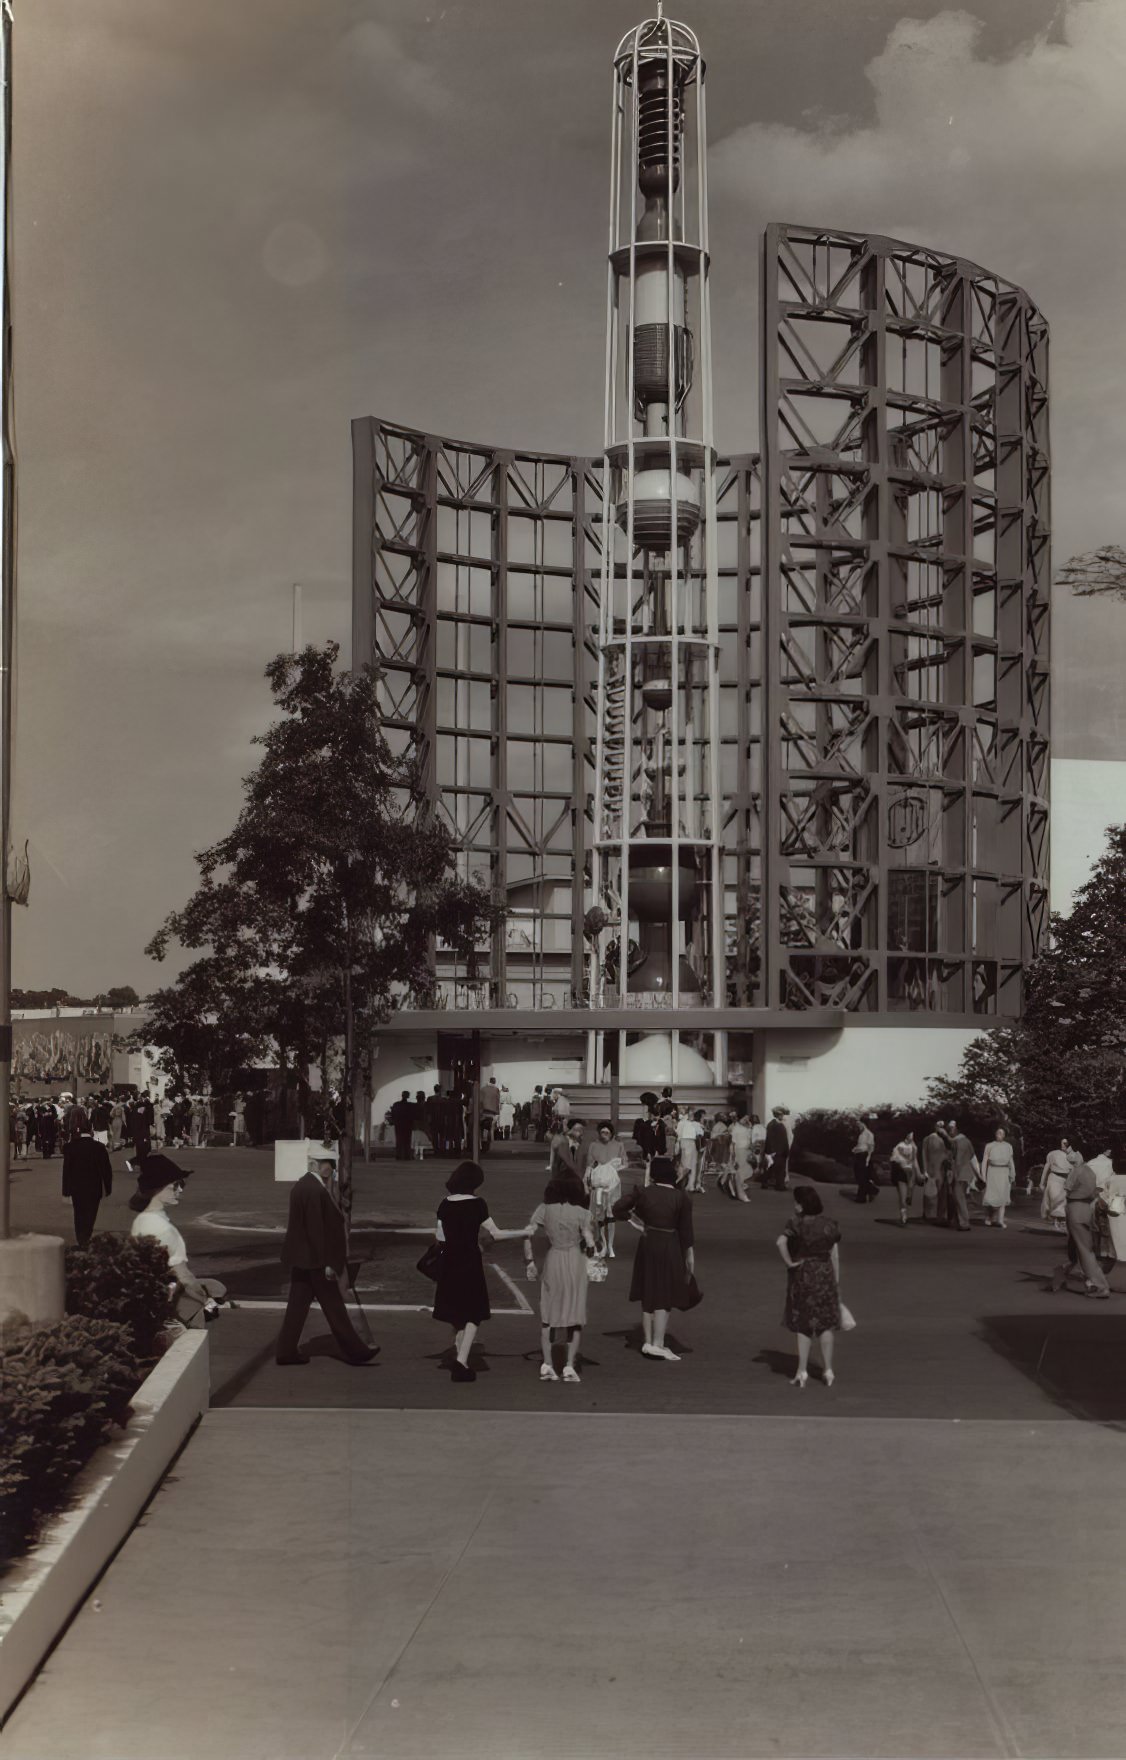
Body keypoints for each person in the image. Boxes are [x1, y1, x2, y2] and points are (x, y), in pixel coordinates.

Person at [275, 1147, 378, 1366]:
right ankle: (356, 1351)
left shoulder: (303, 1186)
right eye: (324, 1163)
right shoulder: (315, 1190)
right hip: (316, 1260)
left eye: (330, 1163)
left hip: (303, 1258)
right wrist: (329, 1263)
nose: (329, 1168)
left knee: (297, 1306)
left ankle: (286, 1351)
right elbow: (316, 1230)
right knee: (334, 1308)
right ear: (312, 1163)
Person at [433, 1160, 531, 1381]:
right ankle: (461, 1362)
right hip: (469, 1261)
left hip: (449, 1261)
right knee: (473, 1314)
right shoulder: (478, 1204)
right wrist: (522, 1232)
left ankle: (461, 1356)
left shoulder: (444, 1204)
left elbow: (439, 1237)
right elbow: (495, 1234)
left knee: (457, 1313)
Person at [611, 1155, 696, 1361]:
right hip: (669, 1243)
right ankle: (658, 1343)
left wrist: (636, 1222)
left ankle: (648, 1342)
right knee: (664, 1294)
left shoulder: (644, 1192)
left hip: (648, 1242)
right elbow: (686, 1233)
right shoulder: (680, 1197)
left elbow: (618, 1208)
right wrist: (690, 1260)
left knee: (649, 1290)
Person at [129, 1155, 227, 1328]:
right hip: (170, 1310)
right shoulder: (161, 1227)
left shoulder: (144, 1220)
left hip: (155, 1301)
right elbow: (181, 1274)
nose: (180, 1190)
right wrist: (206, 1301)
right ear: (156, 1189)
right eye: (175, 1185)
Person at [523, 1173, 597, 1382]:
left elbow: (528, 1234)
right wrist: (591, 1248)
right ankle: (569, 1365)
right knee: (575, 1313)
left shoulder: (544, 1209)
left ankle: (547, 1363)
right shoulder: (583, 1213)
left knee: (549, 1313)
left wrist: (529, 1261)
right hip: (575, 1261)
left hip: (553, 1259)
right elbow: (590, 1241)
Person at [777, 1184, 842, 1388]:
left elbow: (780, 1242)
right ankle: (828, 1370)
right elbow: (834, 1253)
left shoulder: (796, 1223)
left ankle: (802, 1371)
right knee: (825, 1324)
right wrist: (836, 1280)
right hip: (825, 1274)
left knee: (803, 1323)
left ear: (802, 1205)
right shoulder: (830, 1225)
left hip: (803, 1274)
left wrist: (789, 1263)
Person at [1049, 1154, 1111, 1300]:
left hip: (1075, 1209)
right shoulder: (1089, 1171)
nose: (1068, 1156)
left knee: (1083, 1250)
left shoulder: (1076, 1171)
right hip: (1086, 1210)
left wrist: (1051, 1207)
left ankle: (1100, 1286)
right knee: (1075, 1248)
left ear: (1078, 1153)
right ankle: (1061, 1275)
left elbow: (1064, 1193)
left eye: (1070, 1151)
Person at [61, 1107, 114, 1247]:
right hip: (94, 1187)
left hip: (77, 1187)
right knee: (91, 1214)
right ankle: (86, 1236)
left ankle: (81, 1239)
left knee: (79, 1214)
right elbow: (106, 1170)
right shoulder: (99, 1148)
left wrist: (65, 1192)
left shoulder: (70, 1148)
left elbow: (66, 1172)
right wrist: (107, 1188)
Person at [584, 1122, 625, 1258]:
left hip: (612, 1185)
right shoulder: (593, 1145)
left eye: (607, 1133)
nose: (604, 1135)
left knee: (611, 1215)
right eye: (602, 1132)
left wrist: (613, 1169)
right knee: (599, 1215)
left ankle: (611, 1246)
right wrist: (586, 1181)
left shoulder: (619, 1145)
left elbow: (625, 1163)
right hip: (598, 1183)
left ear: (611, 1133)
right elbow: (589, 1165)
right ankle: (604, 1243)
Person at [981, 1127, 1017, 1229]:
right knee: (991, 1197)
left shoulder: (1008, 1146)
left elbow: (1011, 1161)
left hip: (1004, 1173)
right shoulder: (989, 1146)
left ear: (1004, 1135)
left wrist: (1013, 1174)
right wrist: (983, 1175)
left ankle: (1000, 1220)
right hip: (992, 1172)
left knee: (1002, 1197)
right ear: (995, 1134)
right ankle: (989, 1217)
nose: (999, 1134)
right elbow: (984, 1161)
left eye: (1002, 1133)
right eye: (998, 1133)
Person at [948, 1124, 979, 1232]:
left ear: (956, 1131)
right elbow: (972, 1156)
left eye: (951, 1130)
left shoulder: (956, 1142)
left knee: (959, 1198)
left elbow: (958, 1159)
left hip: (959, 1173)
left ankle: (964, 1223)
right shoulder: (967, 1141)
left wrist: (954, 1173)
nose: (950, 1133)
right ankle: (958, 1221)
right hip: (967, 1173)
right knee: (960, 1197)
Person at [921, 1121, 952, 1225]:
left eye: (942, 1126)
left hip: (943, 1169)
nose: (940, 1128)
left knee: (942, 1193)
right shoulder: (929, 1138)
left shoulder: (947, 1139)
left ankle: (940, 1216)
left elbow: (950, 1153)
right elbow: (924, 1155)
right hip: (932, 1169)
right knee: (929, 1193)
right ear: (934, 1126)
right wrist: (924, 1170)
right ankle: (928, 1214)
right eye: (938, 1125)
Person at [1040, 1139, 1074, 1232]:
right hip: (1054, 1178)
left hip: (1066, 1180)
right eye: (1062, 1142)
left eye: (1065, 1143)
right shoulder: (1053, 1154)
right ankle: (1056, 1220)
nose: (1063, 1145)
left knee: (1063, 1201)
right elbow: (1046, 1168)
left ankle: (1061, 1221)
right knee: (1054, 1199)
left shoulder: (1074, 1155)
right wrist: (1042, 1182)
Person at [889, 1130, 921, 1226]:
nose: (911, 1137)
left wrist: (918, 1173)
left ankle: (908, 1197)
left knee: (909, 1190)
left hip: (910, 1171)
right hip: (902, 1172)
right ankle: (903, 1213)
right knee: (902, 1195)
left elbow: (914, 1161)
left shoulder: (914, 1147)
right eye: (910, 1135)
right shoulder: (899, 1146)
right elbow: (894, 1159)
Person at [675, 1109, 706, 1193]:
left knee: (692, 1165)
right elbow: (700, 1133)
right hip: (687, 1142)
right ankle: (677, 1182)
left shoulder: (692, 1123)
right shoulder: (684, 1123)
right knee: (687, 1165)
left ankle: (690, 1185)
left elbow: (700, 1133)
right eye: (690, 1114)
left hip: (691, 1143)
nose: (691, 1116)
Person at [762, 1106, 791, 1191]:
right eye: (780, 1114)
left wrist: (786, 1150)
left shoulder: (781, 1124)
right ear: (776, 1115)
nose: (782, 1116)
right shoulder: (772, 1124)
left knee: (780, 1169)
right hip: (775, 1152)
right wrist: (772, 1151)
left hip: (782, 1151)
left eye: (782, 1114)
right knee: (771, 1168)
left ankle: (780, 1185)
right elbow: (770, 1139)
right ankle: (765, 1182)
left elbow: (784, 1139)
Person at [852, 1116, 877, 1204]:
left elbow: (870, 1148)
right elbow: (861, 1145)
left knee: (862, 1177)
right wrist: (855, 1149)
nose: (858, 1125)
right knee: (858, 1176)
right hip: (858, 1155)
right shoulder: (861, 1134)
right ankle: (872, 1190)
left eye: (859, 1123)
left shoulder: (869, 1134)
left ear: (864, 1123)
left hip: (864, 1156)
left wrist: (868, 1159)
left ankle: (861, 1197)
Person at [728, 1114, 753, 1202]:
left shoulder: (747, 1127)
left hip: (746, 1151)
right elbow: (733, 1143)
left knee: (747, 1170)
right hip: (739, 1150)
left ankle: (736, 1186)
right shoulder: (736, 1128)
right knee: (740, 1172)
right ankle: (741, 1194)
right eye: (744, 1118)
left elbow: (749, 1139)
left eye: (747, 1118)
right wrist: (733, 1154)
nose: (746, 1120)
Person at [389, 1090, 414, 1161]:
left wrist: (393, 1121)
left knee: (399, 1140)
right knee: (407, 1140)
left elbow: (392, 1115)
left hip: (399, 1125)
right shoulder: (410, 1105)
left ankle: (399, 1155)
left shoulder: (396, 1104)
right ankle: (407, 1155)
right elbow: (412, 1115)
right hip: (407, 1125)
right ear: (408, 1096)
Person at [479, 1074, 501, 1150]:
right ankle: (489, 1141)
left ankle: (483, 1141)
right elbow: (498, 1101)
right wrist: (498, 1112)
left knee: (481, 1128)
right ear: (494, 1082)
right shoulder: (496, 1090)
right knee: (490, 1128)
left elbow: (480, 1101)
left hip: (483, 1111)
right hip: (492, 1112)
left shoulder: (483, 1089)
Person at [411, 1089, 429, 1160]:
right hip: (421, 1123)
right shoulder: (426, 1106)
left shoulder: (415, 1106)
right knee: (420, 1138)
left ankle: (417, 1152)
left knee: (417, 1139)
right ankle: (420, 1152)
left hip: (418, 1123)